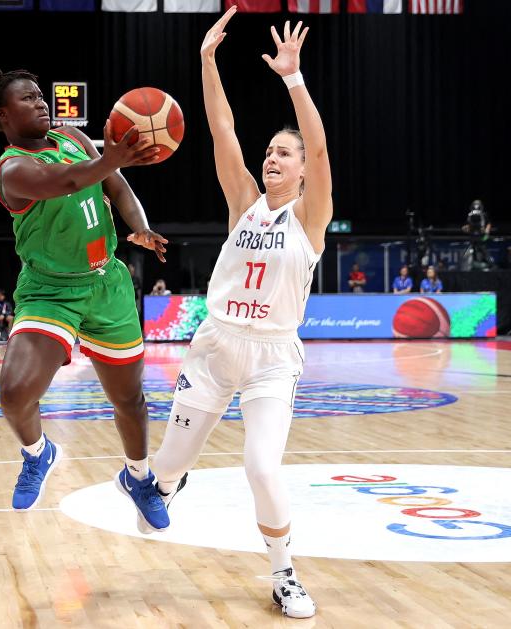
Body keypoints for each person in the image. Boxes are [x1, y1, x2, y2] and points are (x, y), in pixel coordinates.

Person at [151, 12, 329, 619]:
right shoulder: (243, 204)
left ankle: (284, 574)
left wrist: (295, 79)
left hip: (273, 356)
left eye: (284, 153)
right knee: (164, 472)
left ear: (302, 170)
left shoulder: (310, 219)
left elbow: (321, 145)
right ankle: (167, 481)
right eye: (270, 152)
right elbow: (220, 126)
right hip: (215, 345)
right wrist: (206, 62)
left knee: (260, 464)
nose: (272, 158)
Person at [0, 66, 171, 531]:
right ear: (4, 115)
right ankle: (37, 453)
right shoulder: (13, 169)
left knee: (129, 399)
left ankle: (138, 477)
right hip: (51, 290)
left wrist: (139, 227)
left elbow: (117, 186)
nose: (41, 102)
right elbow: (65, 182)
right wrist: (114, 157)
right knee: (14, 392)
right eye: (28, 98)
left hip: (107, 284)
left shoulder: (74, 136)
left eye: (41, 95)